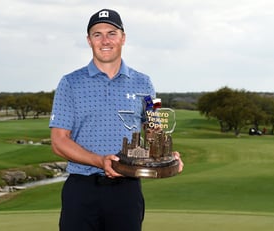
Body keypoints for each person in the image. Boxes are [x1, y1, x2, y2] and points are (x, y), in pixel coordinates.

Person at [49, 9, 183, 231]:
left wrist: (166, 155)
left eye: (111, 33)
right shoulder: (70, 83)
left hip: (126, 190)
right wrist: (100, 161)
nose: (105, 40)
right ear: (89, 40)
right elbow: (59, 141)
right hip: (82, 189)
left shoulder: (145, 83)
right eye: (97, 34)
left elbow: (154, 128)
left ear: (123, 38)